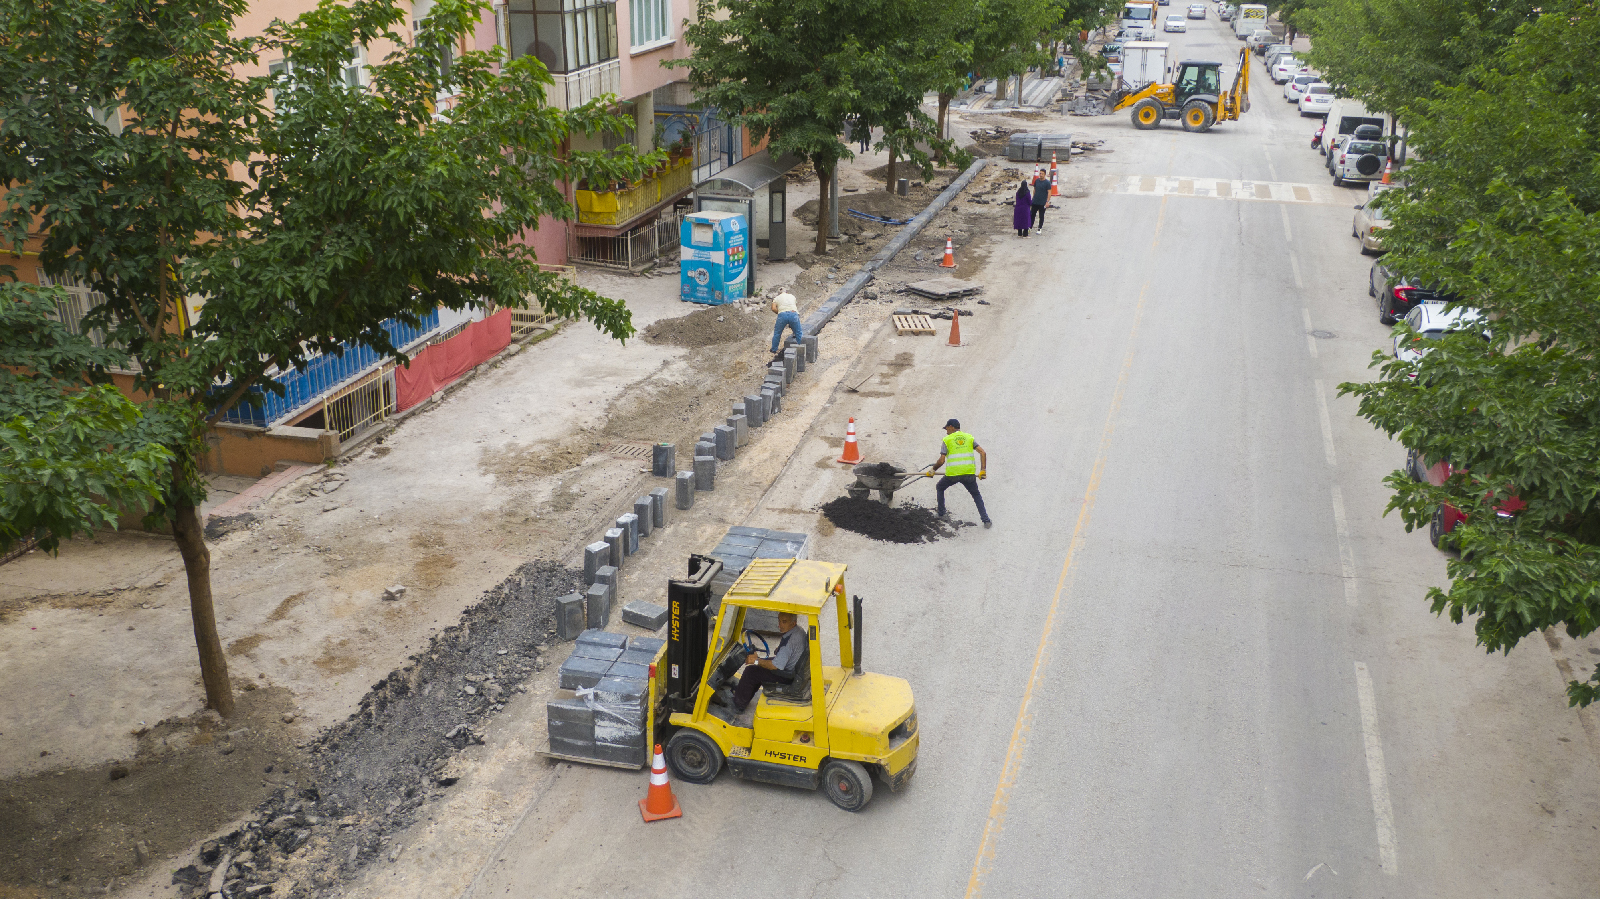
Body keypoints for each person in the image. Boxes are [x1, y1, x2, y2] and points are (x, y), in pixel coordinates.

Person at [731, 612, 808, 712]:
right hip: (793, 667)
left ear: (793, 623)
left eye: (784, 622)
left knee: (751, 671)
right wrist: (778, 651)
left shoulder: (788, 644)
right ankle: (744, 693)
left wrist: (756, 661)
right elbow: (789, 651)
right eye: (779, 620)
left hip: (786, 676)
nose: (779, 625)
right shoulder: (798, 631)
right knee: (759, 666)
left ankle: (739, 703)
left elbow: (774, 666)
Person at [930, 418, 991, 527]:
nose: (946, 431)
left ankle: (941, 514)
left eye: (947, 428)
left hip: (953, 475)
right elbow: (982, 452)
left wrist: (932, 470)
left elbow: (941, 460)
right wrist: (983, 470)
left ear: (951, 427)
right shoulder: (969, 437)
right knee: (976, 495)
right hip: (968, 474)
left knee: (940, 487)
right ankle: (986, 520)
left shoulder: (947, 439)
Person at [770, 291, 802, 357]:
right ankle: (801, 347)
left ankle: (774, 349)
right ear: (787, 292)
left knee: (777, 333)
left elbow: (773, 308)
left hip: (782, 315)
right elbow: (794, 306)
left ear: (779, 293)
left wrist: (779, 312)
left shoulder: (776, 298)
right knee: (798, 332)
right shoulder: (792, 296)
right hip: (793, 313)